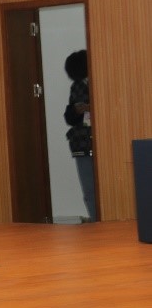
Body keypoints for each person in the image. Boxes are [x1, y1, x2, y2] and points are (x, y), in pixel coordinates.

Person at [63, 49, 96, 222]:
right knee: (90, 190)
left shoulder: (95, 82)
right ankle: (97, 221)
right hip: (83, 143)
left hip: (87, 143)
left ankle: (99, 221)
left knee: (92, 190)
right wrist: (79, 109)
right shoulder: (77, 86)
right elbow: (70, 117)